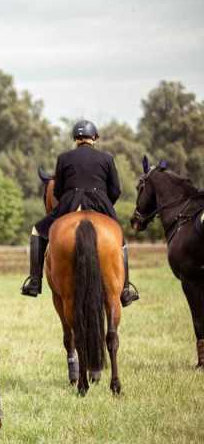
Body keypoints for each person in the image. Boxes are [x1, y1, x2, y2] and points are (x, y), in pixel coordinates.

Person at [21, 119, 140, 306]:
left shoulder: (64, 158)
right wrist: (105, 204)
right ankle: (125, 288)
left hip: (70, 204)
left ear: (76, 138)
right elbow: (116, 190)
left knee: (37, 230)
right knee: (119, 239)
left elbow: (58, 191)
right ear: (95, 138)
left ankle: (35, 282)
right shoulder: (107, 158)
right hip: (101, 204)